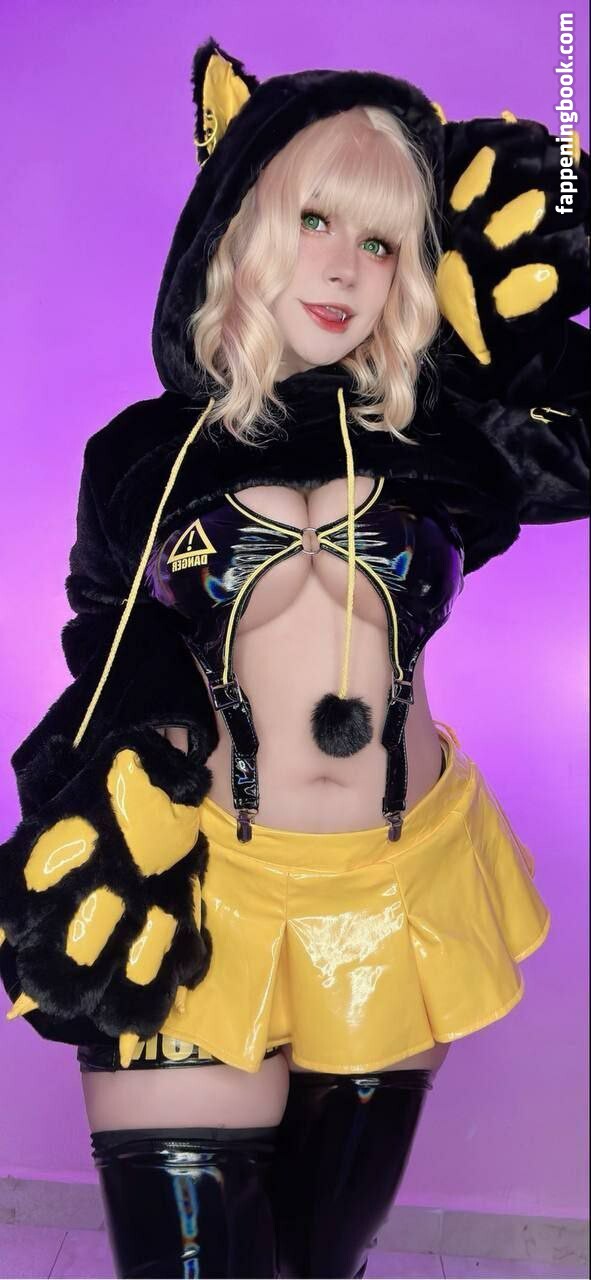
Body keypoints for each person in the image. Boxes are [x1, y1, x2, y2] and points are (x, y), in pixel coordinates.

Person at [0, 37, 588, 1280]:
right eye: (314, 218)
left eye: (382, 240)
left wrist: (525, 309)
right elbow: (106, 631)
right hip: (209, 884)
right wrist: (136, 766)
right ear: (240, 222)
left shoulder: (442, 437)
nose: (343, 266)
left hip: (398, 891)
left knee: (317, 1267)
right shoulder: (143, 454)